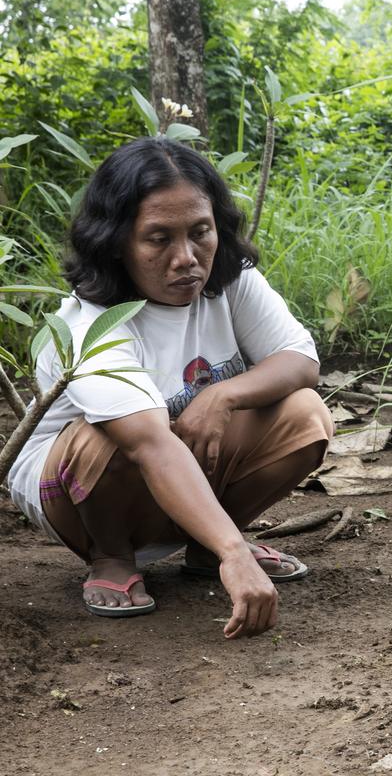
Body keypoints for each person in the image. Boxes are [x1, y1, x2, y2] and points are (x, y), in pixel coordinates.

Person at [5, 137, 333, 639]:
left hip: (178, 464)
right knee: (106, 436)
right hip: (79, 494)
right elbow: (149, 443)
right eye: (158, 239)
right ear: (116, 242)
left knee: (304, 412)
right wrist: (237, 554)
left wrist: (220, 396)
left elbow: (300, 361)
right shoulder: (90, 321)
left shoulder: (229, 281)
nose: (187, 258)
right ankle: (113, 557)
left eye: (200, 232)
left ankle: (206, 549)